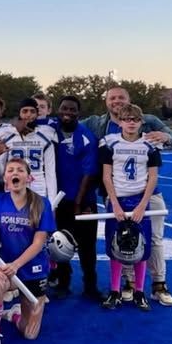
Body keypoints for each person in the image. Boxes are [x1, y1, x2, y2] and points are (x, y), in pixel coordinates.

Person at [81, 85, 172, 306]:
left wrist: (166, 136)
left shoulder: (148, 121)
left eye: (121, 97)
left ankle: (158, 285)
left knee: (153, 239)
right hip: (117, 194)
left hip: (147, 193)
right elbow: (70, 124)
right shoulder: (98, 123)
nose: (117, 101)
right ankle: (128, 283)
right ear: (106, 101)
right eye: (112, 98)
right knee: (122, 239)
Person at [0, 158, 55, 344]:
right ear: (5, 178)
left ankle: (15, 314)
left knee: (30, 333)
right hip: (6, 268)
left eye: (20, 170)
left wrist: (16, 264)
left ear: (28, 177)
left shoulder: (42, 203)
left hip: (33, 269)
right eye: (10, 170)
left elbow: (39, 242)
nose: (15, 173)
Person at [99, 104, 160, 312]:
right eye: (127, 119)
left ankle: (139, 292)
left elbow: (153, 177)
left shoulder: (149, 145)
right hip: (118, 200)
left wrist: (143, 204)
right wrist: (114, 203)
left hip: (139, 200)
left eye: (135, 119)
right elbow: (106, 176)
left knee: (140, 247)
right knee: (115, 246)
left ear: (141, 121)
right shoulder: (110, 143)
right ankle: (115, 291)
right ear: (120, 122)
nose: (131, 122)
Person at [51, 95, 101, 300]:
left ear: (79, 113)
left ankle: (90, 285)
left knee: (87, 245)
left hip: (83, 201)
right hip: (59, 200)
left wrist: (79, 202)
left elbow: (89, 172)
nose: (68, 112)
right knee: (60, 243)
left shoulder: (87, 136)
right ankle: (63, 282)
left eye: (72, 109)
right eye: (65, 108)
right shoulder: (50, 131)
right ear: (58, 109)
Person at [0, 98, 58, 200]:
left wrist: (52, 203)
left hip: (38, 189)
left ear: (37, 114)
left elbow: (50, 173)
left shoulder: (45, 135)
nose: (28, 114)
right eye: (25, 111)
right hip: (13, 188)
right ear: (19, 113)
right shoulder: (7, 135)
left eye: (32, 111)